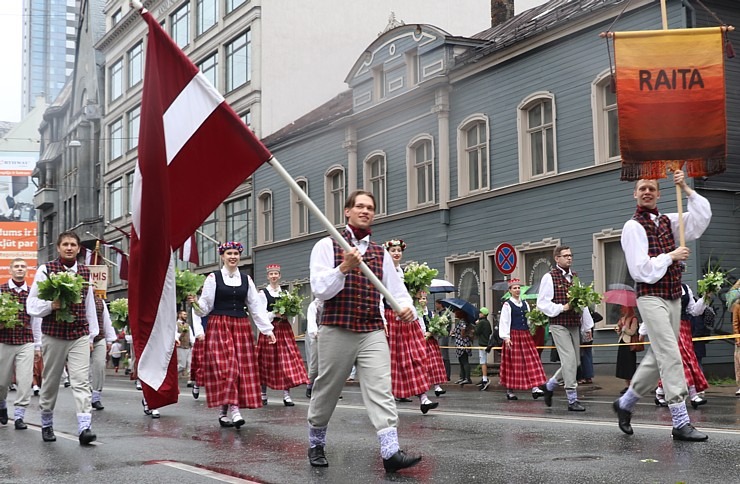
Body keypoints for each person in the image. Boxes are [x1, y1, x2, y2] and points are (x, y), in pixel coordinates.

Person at [307, 190, 421, 473]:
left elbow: (398, 292)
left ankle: (390, 451)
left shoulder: (379, 253)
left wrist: (407, 309)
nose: (365, 211)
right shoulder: (327, 245)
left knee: (381, 388)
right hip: (337, 327)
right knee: (327, 389)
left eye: (370, 207)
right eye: (359, 206)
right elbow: (320, 289)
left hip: (372, 329)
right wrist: (343, 268)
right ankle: (316, 441)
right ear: (347, 211)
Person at [613, 170, 711, 442]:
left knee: (658, 357)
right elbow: (641, 269)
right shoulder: (633, 227)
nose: (647, 192)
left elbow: (701, 219)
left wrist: (686, 188)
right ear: (635, 193)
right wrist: (671, 256)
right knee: (670, 353)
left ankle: (625, 403)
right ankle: (680, 420)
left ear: (659, 193)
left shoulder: (668, 220)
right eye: (642, 188)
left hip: (672, 297)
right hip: (650, 296)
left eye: (652, 189)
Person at [191, 242, 276, 428]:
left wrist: (267, 330)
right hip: (219, 326)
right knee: (228, 368)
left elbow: (255, 307)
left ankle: (224, 412)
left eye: (236, 253)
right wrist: (195, 303)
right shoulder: (213, 278)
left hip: (240, 327)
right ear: (222, 256)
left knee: (238, 369)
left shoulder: (246, 279)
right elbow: (204, 307)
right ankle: (235, 410)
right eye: (229, 253)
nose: (233, 256)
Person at [27, 231, 99, 445]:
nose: (69, 248)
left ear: (78, 249)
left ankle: (85, 427)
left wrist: (92, 335)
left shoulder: (86, 272)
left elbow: (89, 306)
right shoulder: (46, 270)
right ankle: (47, 423)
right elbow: (31, 305)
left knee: (81, 381)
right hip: (54, 334)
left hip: (79, 334)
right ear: (58, 248)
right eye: (65, 244)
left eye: (73, 245)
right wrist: (50, 305)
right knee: (50, 382)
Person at [536, 245, 594, 411]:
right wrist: (562, 307)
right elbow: (542, 304)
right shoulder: (550, 277)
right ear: (557, 258)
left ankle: (549, 386)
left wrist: (587, 326)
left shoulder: (574, 277)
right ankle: (572, 399)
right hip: (559, 323)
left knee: (574, 363)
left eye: (570, 255)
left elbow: (582, 303)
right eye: (565, 255)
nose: (569, 258)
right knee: (568, 360)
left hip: (574, 323)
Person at [382, 239, 437, 414]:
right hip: (391, 318)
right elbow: (378, 299)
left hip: (407, 320)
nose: (397, 253)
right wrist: (382, 320)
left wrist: (417, 321)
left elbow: (412, 301)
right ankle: (386, 401)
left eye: (399, 250)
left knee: (416, 357)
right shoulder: (382, 273)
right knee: (392, 362)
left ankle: (424, 398)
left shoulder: (407, 275)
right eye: (393, 250)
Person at [257, 264, 309, 406]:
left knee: (287, 361)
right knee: (266, 362)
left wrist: (288, 314)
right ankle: (263, 393)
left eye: (276, 274)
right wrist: (274, 314)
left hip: (284, 329)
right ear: (268, 276)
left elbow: (292, 315)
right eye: (271, 274)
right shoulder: (263, 294)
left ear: (279, 276)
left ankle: (286, 395)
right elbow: (260, 315)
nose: (274, 276)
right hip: (269, 329)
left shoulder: (285, 294)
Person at [654, 283, 710, 409]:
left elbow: (694, 311)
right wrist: (643, 331)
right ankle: (693, 395)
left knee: (684, 360)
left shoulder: (685, 288)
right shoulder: (660, 288)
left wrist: (706, 296)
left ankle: (660, 392)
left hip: (684, 327)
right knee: (682, 360)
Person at [0, 258, 41, 429]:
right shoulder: (1, 290)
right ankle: (2, 405)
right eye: (16, 266)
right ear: (10, 270)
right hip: (4, 340)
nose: (19, 269)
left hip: (25, 341)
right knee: (2, 382)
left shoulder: (32, 293)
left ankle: (19, 416)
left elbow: (36, 320)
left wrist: (38, 345)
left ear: (27, 271)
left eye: (22, 267)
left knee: (24, 381)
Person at [498, 279, 547, 401]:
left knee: (532, 359)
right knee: (514, 364)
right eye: (514, 288)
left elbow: (528, 320)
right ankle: (510, 390)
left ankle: (535, 387)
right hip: (513, 336)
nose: (517, 290)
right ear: (510, 291)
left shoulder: (525, 304)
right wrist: (506, 337)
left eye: (518, 288)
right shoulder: (507, 305)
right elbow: (504, 321)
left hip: (525, 335)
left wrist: (536, 319)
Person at [90, 295, 117, 410]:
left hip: (99, 338)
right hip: (81, 338)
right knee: (83, 370)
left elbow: (106, 320)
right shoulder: (79, 298)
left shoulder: (100, 302)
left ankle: (96, 397)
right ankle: (85, 396)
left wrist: (110, 339)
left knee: (100, 365)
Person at [417, 292, 446, 397]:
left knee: (434, 364)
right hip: (420, 341)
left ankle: (437, 387)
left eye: (424, 298)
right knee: (422, 366)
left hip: (431, 341)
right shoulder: (416, 313)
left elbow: (436, 325)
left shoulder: (431, 313)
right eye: (420, 298)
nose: (422, 300)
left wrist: (434, 331)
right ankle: (421, 388)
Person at [614, 306, 639, 393]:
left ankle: (632, 386)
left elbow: (632, 332)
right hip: (622, 343)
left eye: (623, 309)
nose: (622, 310)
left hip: (629, 344)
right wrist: (618, 329)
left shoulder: (634, 319)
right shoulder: (622, 319)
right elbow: (620, 331)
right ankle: (627, 385)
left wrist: (625, 329)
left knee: (629, 365)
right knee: (623, 365)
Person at [305, 298, 322, 398]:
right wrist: (315, 332)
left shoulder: (332, 303)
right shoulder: (314, 305)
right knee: (315, 363)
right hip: (317, 336)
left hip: (330, 335)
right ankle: (310, 386)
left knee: (330, 364)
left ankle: (330, 390)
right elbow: (311, 320)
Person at [450, 310, 473, 386]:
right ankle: (462, 377)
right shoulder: (459, 322)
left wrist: (462, 334)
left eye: (456, 312)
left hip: (463, 343)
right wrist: (453, 332)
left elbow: (463, 332)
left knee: (464, 360)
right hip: (459, 343)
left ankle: (467, 378)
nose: (455, 314)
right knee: (461, 361)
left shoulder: (462, 322)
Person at [474, 308, 492, 391]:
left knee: (483, 362)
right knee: (483, 361)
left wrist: (476, 324)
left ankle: (485, 379)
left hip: (482, 343)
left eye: (480, 312)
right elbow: (490, 332)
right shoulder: (487, 322)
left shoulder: (481, 322)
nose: (479, 314)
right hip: (486, 343)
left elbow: (476, 332)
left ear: (483, 314)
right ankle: (484, 378)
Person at [175, 310, 194, 385]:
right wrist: (181, 335)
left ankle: (190, 380)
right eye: (184, 314)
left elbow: (191, 335)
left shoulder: (187, 325)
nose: (185, 316)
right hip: (181, 347)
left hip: (188, 346)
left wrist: (193, 343)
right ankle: (172, 375)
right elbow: (175, 335)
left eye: (186, 314)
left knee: (190, 363)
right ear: (179, 315)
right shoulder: (176, 324)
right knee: (182, 366)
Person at [435, 299, 452, 381]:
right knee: (441, 355)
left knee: (444, 355)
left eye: (436, 304)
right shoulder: (440, 313)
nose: (436, 306)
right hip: (440, 336)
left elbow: (447, 325)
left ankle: (447, 375)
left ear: (440, 304)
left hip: (443, 336)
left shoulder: (445, 314)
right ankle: (443, 374)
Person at [730, 283, 740, 397]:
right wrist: (737, 339)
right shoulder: (737, 306)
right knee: (739, 363)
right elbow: (735, 324)